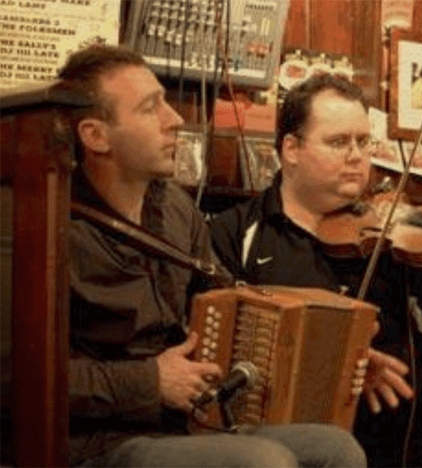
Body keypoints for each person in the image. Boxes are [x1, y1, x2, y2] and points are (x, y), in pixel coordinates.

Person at [62, 45, 365, 467]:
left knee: (337, 450)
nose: (176, 119)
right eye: (152, 108)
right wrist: (150, 381)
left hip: (182, 424)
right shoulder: (46, 227)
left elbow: (227, 298)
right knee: (263, 462)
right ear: (96, 135)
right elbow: (14, 378)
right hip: (99, 442)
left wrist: (339, 352)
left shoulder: (175, 209)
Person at [208, 73, 422, 467]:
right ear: (291, 148)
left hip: (410, 435)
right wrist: (338, 361)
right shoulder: (235, 232)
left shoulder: (395, 229)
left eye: (363, 142)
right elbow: (221, 347)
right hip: (293, 442)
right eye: (338, 142)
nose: (357, 155)